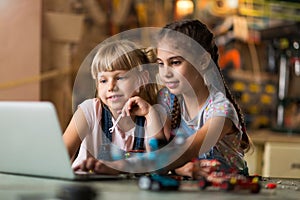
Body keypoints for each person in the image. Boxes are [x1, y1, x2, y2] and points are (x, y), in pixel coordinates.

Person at [155, 19, 251, 179]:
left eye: (175, 62)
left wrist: (121, 166)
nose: (165, 73)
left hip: (228, 191)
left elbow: (185, 151)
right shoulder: (166, 99)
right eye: (160, 63)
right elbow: (159, 151)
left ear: (203, 60)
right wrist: (182, 169)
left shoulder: (221, 111)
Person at [63, 39, 165, 173]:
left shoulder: (152, 115)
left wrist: (150, 114)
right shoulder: (90, 111)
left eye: (120, 78)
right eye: (103, 80)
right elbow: (61, 156)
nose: (110, 87)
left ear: (143, 80)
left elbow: (159, 165)